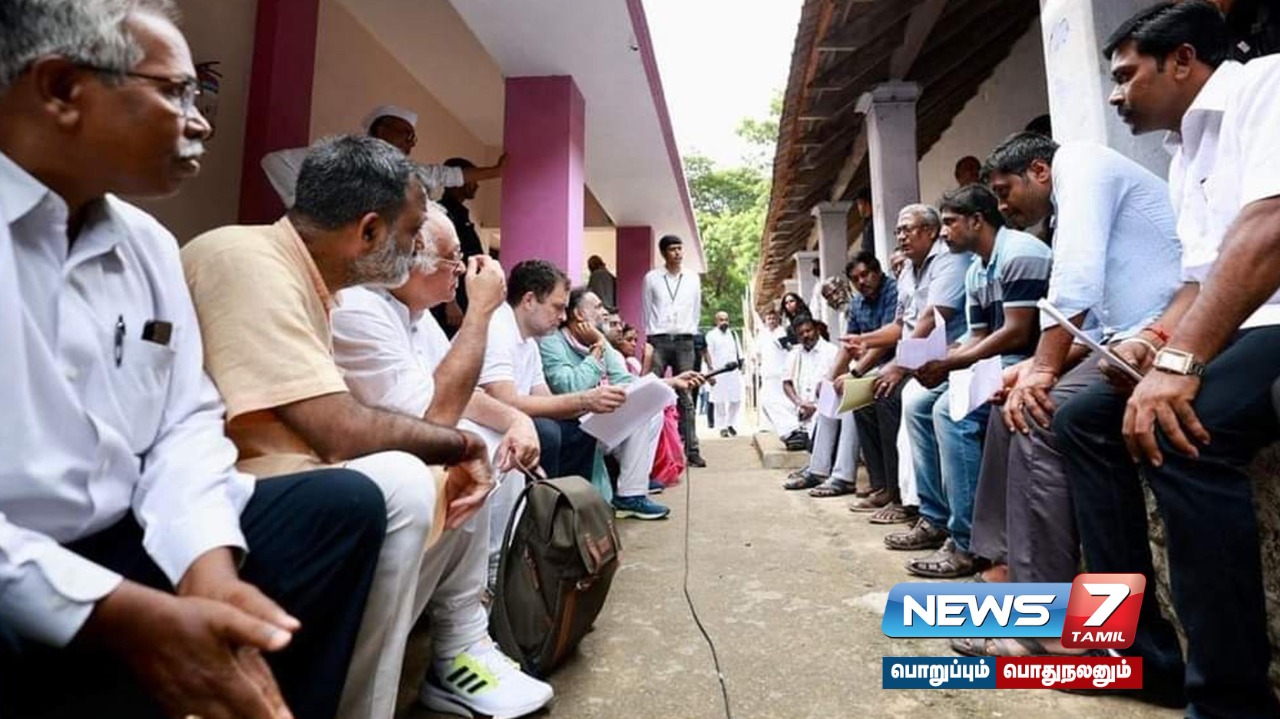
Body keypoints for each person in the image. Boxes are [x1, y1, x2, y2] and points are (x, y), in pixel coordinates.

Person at [0, 3, 388, 719]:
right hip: (16, 568)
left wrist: (208, 568)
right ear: (60, 88)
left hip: (124, 533)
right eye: (176, 92)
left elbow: (184, 422)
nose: (202, 121)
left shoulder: (146, 242)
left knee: (342, 508)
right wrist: (115, 611)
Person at [182, 135, 545, 719]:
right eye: (413, 234)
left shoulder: (321, 285)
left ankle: (456, 646)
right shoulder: (247, 258)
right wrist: (463, 436)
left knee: (442, 470)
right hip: (215, 496)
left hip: (292, 478)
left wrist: (488, 432)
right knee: (410, 478)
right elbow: (339, 429)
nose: (420, 252)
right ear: (370, 231)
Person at [1051, 3, 1280, 713]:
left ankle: (1230, 700)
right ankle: (1136, 656)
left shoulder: (1265, 86)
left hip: (1274, 317)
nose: (1116, 96)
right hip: (1238, 325)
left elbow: (1269, 232)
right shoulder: (1184, 154)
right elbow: (1197, 281)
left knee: (1181, 433)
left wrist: (1178, 363)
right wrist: (1150, 342)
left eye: (1126, 76)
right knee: (1083, 419)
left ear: (1182, 60)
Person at [962, 133, 1181, 604]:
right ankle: (1002, 562)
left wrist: (1043, 371)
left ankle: (1043, 602)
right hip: (1117, 341)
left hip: (1161, 332)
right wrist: (1030, 370)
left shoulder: (1081, 164)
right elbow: (1093, 326)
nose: (1002, 206)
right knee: (1006, 405)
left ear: (1039, 171)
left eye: (1004, 191)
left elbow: (1075, 282)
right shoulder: (1069, 200)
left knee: (1036, 413)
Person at [329, 198, 543, 594]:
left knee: (503, 443)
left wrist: (518, 420)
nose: (462, 269)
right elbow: (431, 422)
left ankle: (481, 593)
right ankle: (457, 604)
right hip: (370, 463)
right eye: (453, 258)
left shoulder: (416, 313)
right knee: (468, 451)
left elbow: (463, 394)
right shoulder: (358, 308)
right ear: (412, 259)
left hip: (412, 445)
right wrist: (479, 312)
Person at [885, 185, 1050, 579]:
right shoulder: (977, 268)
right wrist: (941, 360)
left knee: (951, 411)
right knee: (919, 403)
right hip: (994, 359)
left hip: (1029, 357)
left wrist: (951, 363)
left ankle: (968, 543)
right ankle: (935, 517)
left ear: (977, 220)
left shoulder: (1019, 252)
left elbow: (1016, 332)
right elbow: (976, 335)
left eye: (950, 222)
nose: (944, 232)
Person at [539, 287, 703, 511]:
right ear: (578, 314)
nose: (604, 313)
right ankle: (629, 491)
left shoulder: (601, 342)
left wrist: (672, 381)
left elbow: (627, 382)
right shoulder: (553, 342)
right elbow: (570, 387)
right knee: (639, 413)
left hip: (596, 420)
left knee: (648, 409)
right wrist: (597, 349)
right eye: (597, 307)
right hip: (571, 421)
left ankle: (632, 491)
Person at [260, 108, 505, 209]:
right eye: (406, 134)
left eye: (413, 138)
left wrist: (496, 171)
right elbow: (275, 161)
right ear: (381, 130)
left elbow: (446, 175)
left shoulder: (405, 170)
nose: (411, 143)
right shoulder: (345, 154)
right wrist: (302, 207)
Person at [832, 252, 903, 514]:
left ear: (877, 272)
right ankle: (880, 484)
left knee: (881, 396)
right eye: (855, 279)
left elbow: (886, 340)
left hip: (900, 361)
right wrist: (830, 378)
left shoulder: (893, 291)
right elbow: (848, 344)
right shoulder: (857, 303)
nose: (862, 282)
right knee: (859, 402)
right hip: (875, 367)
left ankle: (895, 490)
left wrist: (856, 372)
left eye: (865, 275)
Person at [644, 234, 707, 467]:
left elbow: (696, 309)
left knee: (686, 395)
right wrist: (651, 337)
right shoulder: (652, 278)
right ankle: (651, 451)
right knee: (653, 392)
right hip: (659, 339)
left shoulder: (692, 278)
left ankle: (692, 450)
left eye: (680, 248)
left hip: (685, 340)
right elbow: (646, 310)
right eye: (672, 249)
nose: (678, 253)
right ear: (663, 253)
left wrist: (689, 331)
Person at [431, 156, 505, 337]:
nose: (476, 185)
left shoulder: (461, 214)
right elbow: (441, 258)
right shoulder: (441, 214)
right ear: (456, 182)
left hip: (466, 297)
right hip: (450, 302)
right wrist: (450, 302)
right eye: (472, 180)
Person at [777, 314, 840, 461]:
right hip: (801, 408)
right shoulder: (794, 354)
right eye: (801, 334)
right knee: (771, 402)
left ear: (816, 330)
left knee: (822, 423)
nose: (806, 335)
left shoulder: (832, 351)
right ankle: (796, 434)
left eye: (808, 331)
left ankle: (807, 439)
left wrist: (815, 407)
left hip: (824, 408)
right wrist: (799, 403)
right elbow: (786, 383)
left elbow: (837, 383)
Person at [705, 311, 744, 437]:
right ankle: (722, 427)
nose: (724, 322)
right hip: (718, 372)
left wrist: (741, 366)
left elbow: (739, 352)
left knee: (736, 399)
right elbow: (708, 354)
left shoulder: (733, 334)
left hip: (733, 372)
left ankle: (730, 423)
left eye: (726, 320)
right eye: (721, 320)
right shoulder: (711, 335)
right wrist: (710, 373)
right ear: (716, 321)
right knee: (719, 401)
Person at [855, 188, 876, 255]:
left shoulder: (874, 223)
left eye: (860, 203)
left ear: (867, 203)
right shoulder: (866, 223)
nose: (859, 207)